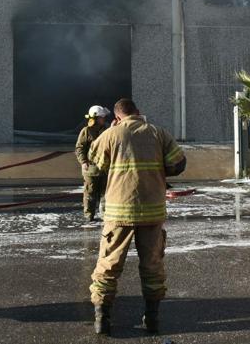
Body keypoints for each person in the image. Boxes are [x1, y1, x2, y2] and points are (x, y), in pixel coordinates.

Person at [88, 98, 186, 335]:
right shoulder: (158, 133)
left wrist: (112, 132)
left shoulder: (111, 134)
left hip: (118, 212)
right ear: (139, 113)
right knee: (152, 265)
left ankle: (102, 318)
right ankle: (152, 318)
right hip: (152, 211)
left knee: (108, 265)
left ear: (117, 116)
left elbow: (95, 163)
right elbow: (178, 164)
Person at [75, 105, 110, 222]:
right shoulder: (86, 131)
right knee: (90, 193)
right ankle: (89, 215)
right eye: (102, 117)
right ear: (96, 118)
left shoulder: (107, 130)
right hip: (90, 168)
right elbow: (79, 148)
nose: (104, 118)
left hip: (105, 168)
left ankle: (105, 215)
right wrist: (83, 162)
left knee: (105, 193)